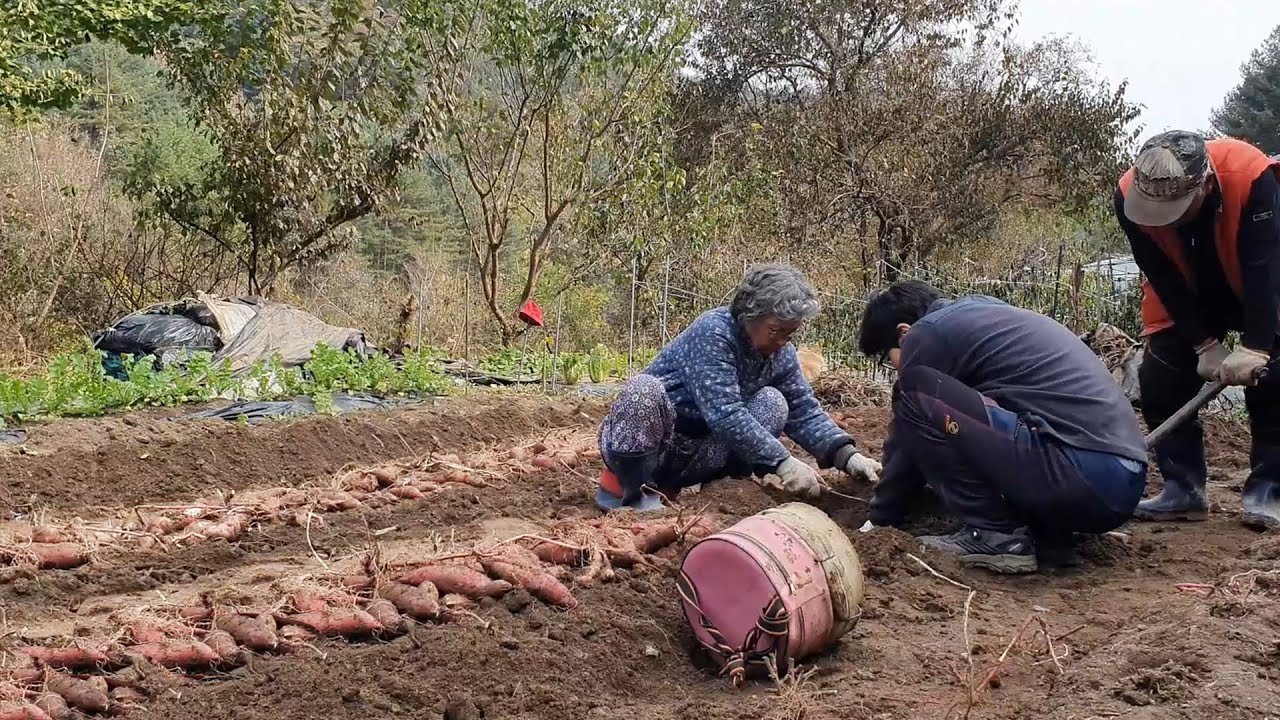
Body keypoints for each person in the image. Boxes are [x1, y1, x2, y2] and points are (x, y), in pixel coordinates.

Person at [856, 281, 1148, 574]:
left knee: (912, 392)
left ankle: (993, 534)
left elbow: (907, 439)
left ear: (903, 333)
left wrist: (881, 517)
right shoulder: (987, 314)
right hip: (1121, 480)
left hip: (1077, 475)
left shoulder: (926, 333)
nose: (894, 367)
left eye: (886, 358)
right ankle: (1048, 536)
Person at [594, 263, 883, 511]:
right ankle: (634, 493)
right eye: (776, 330)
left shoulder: (780, 353)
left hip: (700, 453)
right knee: (642, 391)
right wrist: (783, 462)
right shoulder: (714, 332)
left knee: (773, 402)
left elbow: (802, 407)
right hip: (657, 446)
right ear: (749, 315)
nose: (783, 341)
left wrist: (846, 455)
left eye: (790, 333)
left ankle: (727, 491)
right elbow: (725, 413)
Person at [1114, 130, 1280, 529]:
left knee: (1275, 382)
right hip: (1190, 286)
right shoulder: (1127, 196)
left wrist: (1256, 347)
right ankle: (1183, 489)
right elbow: (1161, 274)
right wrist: (1204, 344)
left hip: (1265, 281)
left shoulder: (1252, 176)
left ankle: (1270, 490)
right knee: (1159, 377)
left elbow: (1265, 267)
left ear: (1204, 184)